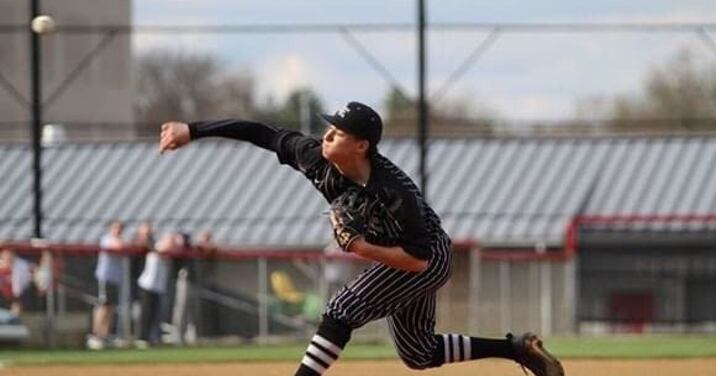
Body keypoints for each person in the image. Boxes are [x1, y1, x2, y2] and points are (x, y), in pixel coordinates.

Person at [159, 101, 564, 376]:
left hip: (425, 256)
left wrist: (359, 248)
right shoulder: (315, 157)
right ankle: (517, 349)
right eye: (328, 129)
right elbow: (261, 132)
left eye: (337, 132)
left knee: (340, 310)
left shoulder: (395, 191)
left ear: (361, 145)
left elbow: (419, 261)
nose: (326, 137)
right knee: (419, 354)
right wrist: (193, 130)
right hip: (402, 258)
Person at [136, 232, 179, 348]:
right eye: (170, 241)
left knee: (156, 314)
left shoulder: (168, 251)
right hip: (148, 285)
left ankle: (153, 337)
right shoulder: (159, 246)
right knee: (146, 313)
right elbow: (156, 249)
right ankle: (142, 338)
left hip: (158, 287)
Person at [88, 220, 125, 350]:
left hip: (114, 279)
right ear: (110, 228)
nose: (118, 230)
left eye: (121, 228)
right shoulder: (107, 239)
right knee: (103, 306)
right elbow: (119, 246)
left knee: (110, 307)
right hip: (105, 278)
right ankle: (95, 335)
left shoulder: (119, 239)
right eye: (116, 227)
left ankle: (104, 335)